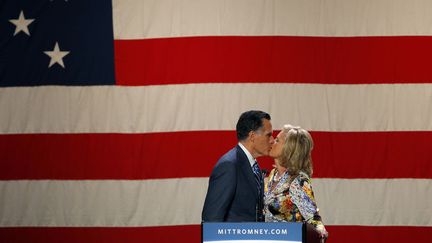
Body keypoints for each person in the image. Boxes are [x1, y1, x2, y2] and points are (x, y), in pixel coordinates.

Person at [202, 110, 274, 222]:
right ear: (252, 136)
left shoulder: (254, 166)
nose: (272, 140)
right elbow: (212, 218)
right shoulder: (229, 166)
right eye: (268, 135)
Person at [264, 125, 328, 240]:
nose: (273, 141)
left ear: (290, 149)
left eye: (278, 140)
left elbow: (314, 221)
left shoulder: (298, 181)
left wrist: (319, 234)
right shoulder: (273, 174)